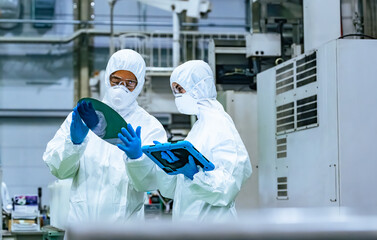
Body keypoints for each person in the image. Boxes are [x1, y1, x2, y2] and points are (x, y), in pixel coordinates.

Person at [43, 49, 167, 224]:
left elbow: (149, 184)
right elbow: (59, 170)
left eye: (129, 83)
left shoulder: (149, 126)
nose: (121, 88)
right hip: (81, 227)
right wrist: (74, 144)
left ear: (139, 85)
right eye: (116, 81)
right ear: (107, 78)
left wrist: (138, 160)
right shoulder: (83, 116)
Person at [118, 60, 252, 222]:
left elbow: (227, 188)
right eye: (174, 90)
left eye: (180, 89)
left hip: (216, 227)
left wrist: (195, 175)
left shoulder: (219, 125)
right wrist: (169, 166)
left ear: (198, 86)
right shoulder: (200, 127)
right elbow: (176, 189)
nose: (177, 96)